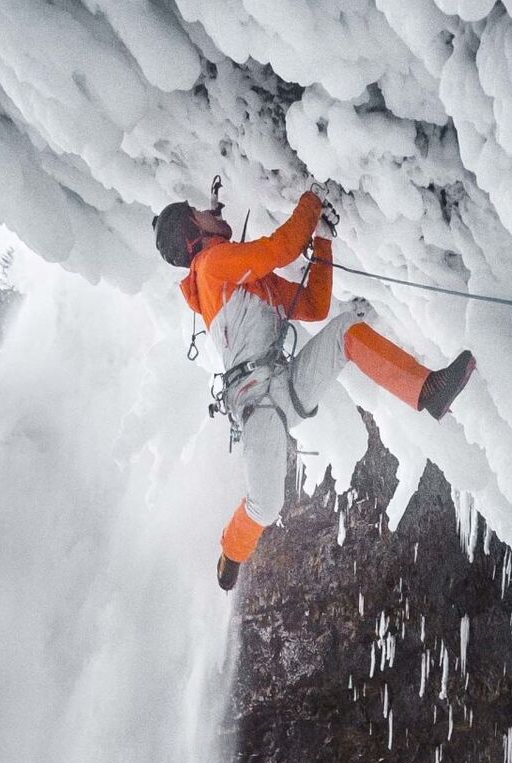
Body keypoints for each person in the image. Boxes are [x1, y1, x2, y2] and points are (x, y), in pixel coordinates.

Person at [153, 188, 476, 590]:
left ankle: (428, 390)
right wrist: (312, 200)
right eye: (198, 213)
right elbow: (280, 248)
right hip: (258, 407)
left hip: (282, 386)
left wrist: (322, 239)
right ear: (192, 233)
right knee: (266, 506)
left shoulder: (249, 283)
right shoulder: (211, 265)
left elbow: (314, 305)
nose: (208, 211)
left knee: (345, 332)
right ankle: (231, 552)